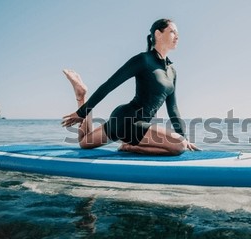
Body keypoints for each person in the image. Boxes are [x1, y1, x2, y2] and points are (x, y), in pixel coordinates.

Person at [61, 19, 200, 155]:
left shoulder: (172, 71)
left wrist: (184, 137)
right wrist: (82, 112)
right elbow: (109, 85)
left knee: (84, 142)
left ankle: (81, 95)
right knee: (179, 145)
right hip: (127, 121)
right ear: (158, 34)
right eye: (172, 32)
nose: (177, 36)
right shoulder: (143, 60)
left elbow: (173, 109)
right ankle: (129, 147)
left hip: (136, 126)